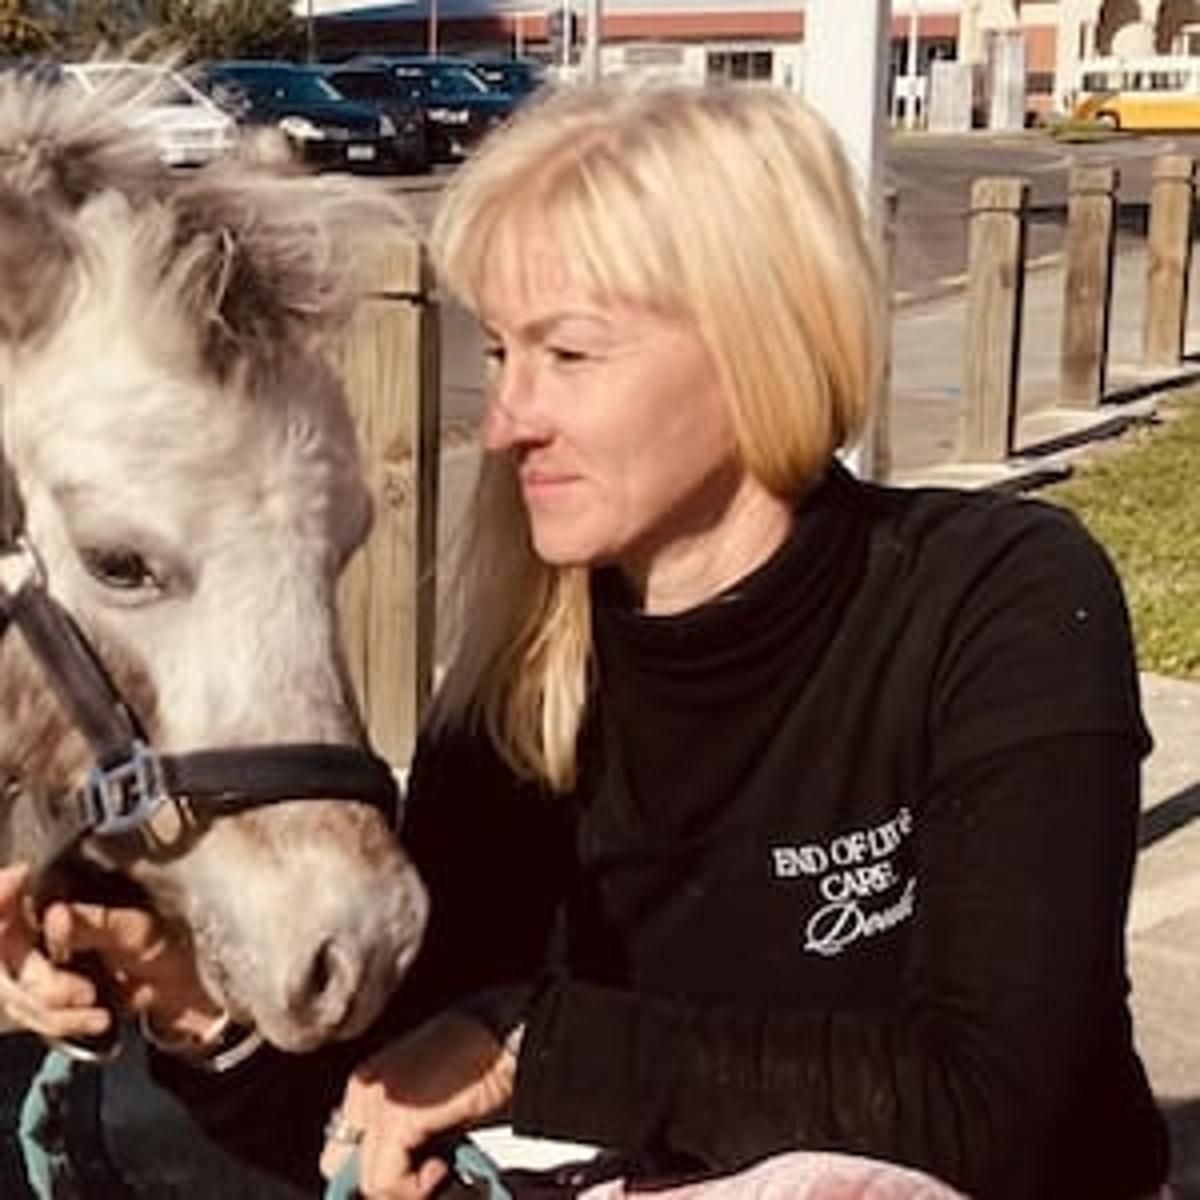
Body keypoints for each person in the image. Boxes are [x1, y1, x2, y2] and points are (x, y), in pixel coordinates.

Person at [0, 82, 1170, 1200]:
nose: (506, 419)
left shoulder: (1000, 597)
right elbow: (374, 1111)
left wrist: (521, 1044)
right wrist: (194, 1008)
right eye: (501, 353)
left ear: (757, 341)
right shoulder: (527, 680)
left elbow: (992, 1111)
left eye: (565, 353)